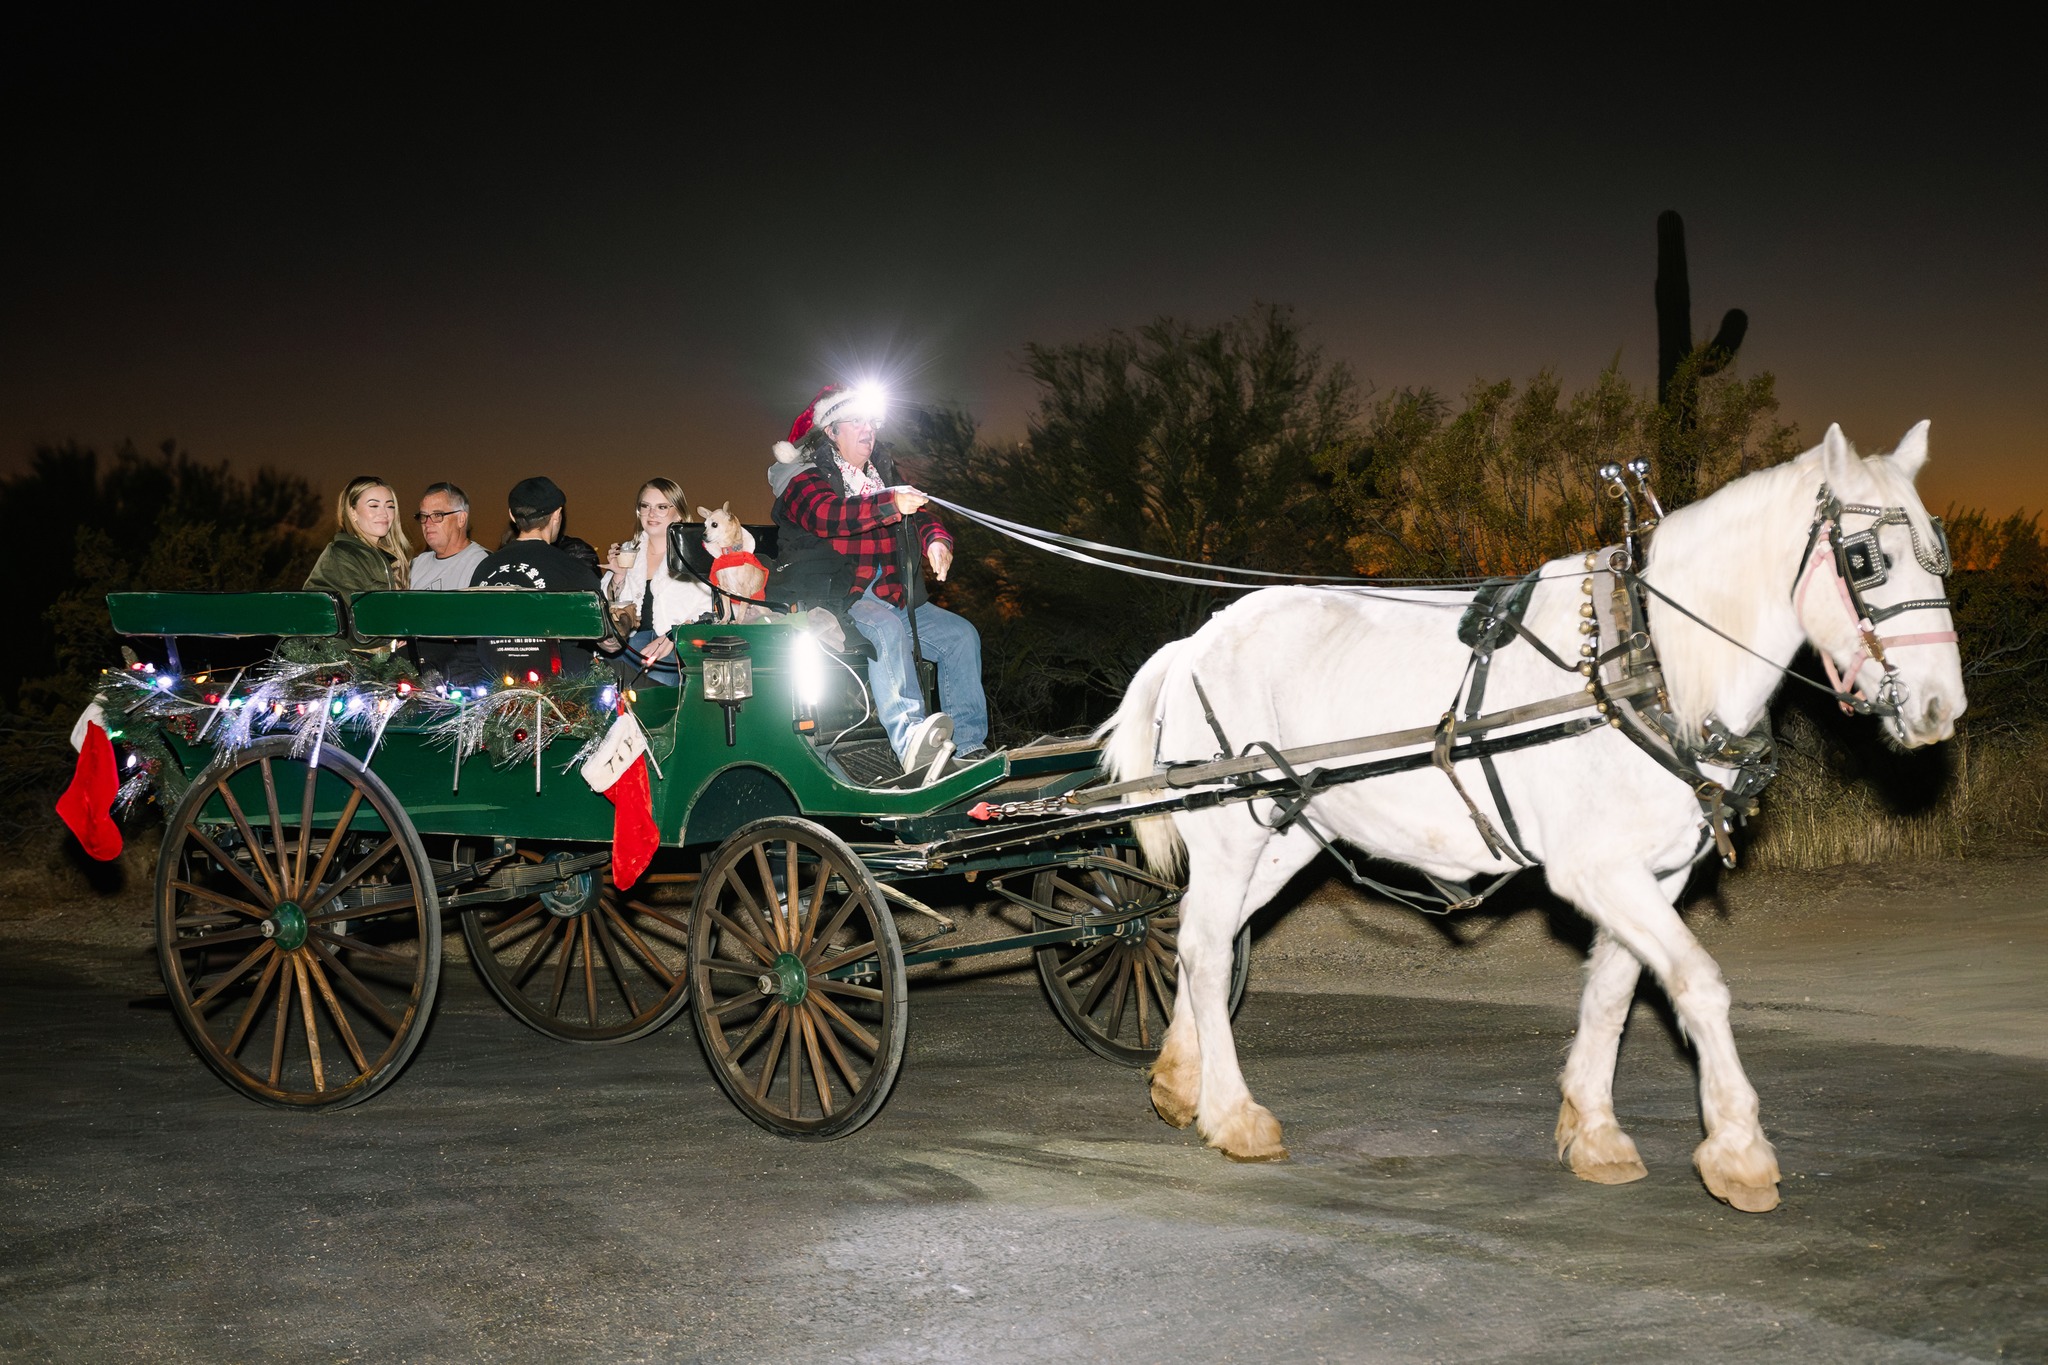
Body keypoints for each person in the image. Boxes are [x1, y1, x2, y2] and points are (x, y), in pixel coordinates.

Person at [769, 384, 989, 774]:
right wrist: (890, 501)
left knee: (961, 636)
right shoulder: (802, 478)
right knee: (886, 629)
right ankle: (912, 745)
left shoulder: (882, 474)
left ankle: (970, 748)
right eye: (856, 420)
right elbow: (829, 516)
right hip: (838, 598)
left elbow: (920, 514)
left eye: (872, 420)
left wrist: (936, 541)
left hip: (890, 594)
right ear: (832, 431)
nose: (868, 429)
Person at [468, 476, 604, 679]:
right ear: (557, 514)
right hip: (562, 695)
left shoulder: (484, 568)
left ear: (513, 517)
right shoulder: (573, 570)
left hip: (495, 688)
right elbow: (600, 631)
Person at [601, 477, 713, 682]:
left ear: (678, 513)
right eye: (646, 506)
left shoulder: (696, 555)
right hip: (629, 647)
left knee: (657, 687)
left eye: (661, 507)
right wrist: (618, 577)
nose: (652, 514)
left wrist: (674, 636)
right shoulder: (628, 552)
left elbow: (710, 607)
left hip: (676, 646)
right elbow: (606, 612)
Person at [305, 475, 412, 596]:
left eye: (390, 506)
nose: (384, 513)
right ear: (353, 512)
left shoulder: (393, 557)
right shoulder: (342, 555)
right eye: (373, 506)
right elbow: (361, 608)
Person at [408, 482, 489, 589]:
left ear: (461, 519)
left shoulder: (482, 564)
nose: (427, 523)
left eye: (437, 515)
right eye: (424, 516)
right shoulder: (416, 564)